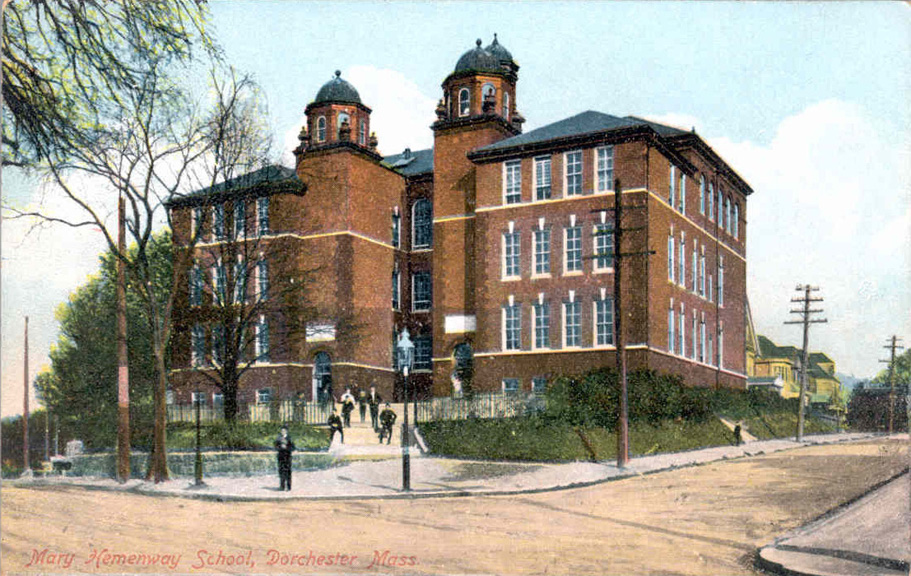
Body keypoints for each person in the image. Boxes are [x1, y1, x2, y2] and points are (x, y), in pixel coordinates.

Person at [274, 425, 296, 491]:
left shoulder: (289, 438)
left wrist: (286, 448)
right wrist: (280, 447)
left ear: (286, 431)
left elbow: (293, 447)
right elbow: (276, 446)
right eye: (282, 431)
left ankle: (289, 486)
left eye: (284, 431)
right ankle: (282, 486)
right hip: (281, 456)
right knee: (281, 471)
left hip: (287, 457)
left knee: (288, 472)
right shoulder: (278, 438)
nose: (282, 432)